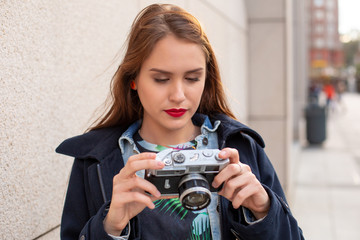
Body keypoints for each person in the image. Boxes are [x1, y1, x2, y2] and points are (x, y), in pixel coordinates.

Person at [56, 3, 304, 240]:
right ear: (133, 79)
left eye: (192, 78)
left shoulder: (240, 147)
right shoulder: (95, 162)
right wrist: (109, 227)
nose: (178, 95)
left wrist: (263, 210)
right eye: (161, 79)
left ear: (207, 78)